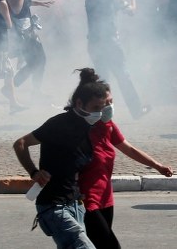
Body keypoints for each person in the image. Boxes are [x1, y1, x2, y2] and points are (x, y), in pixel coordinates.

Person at [74, 68, 174, 249]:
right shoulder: (74, 129)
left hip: (106, 198)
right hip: (86, 200)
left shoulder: (108, 126)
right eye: (102, 106)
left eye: (109, 103)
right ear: (83, 105)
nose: (108, 108)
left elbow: (129, 149)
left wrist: (157, 165)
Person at [13, 76, 111, 248]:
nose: (99, 113)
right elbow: (20, 143)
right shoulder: (59, 124)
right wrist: (34, 172)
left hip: (76, 205)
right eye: (95, 108)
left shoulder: (90, 127)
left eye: (101, 108)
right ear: (80, 104)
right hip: (53, 206)